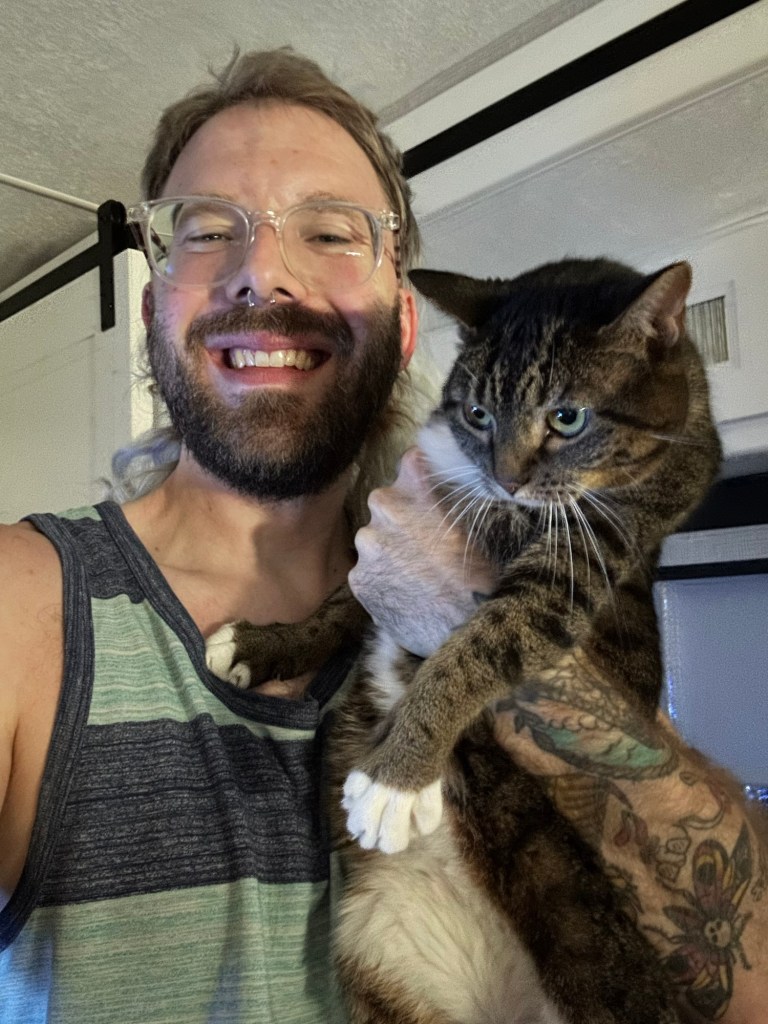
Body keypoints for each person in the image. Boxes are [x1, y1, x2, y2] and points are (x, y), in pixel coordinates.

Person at [0, 46, 764, 1024]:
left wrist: (469, 613)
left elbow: (750, 982)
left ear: (405, 327)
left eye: (327, 231)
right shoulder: (25, 605)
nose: (261, 272)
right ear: (154, 313)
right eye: (208, 231)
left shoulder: (557, 571)